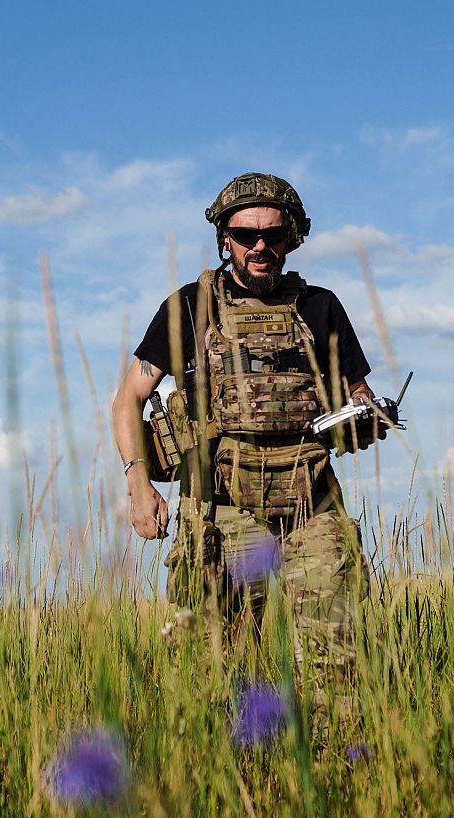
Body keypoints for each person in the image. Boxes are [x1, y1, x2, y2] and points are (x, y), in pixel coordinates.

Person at [110, 172, 386, 701]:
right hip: (223, 507)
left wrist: (366, 419)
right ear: (224, 238)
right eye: (245, 235)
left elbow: (359, 393)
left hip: (312, 503)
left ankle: (335, 769)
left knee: (338, 657)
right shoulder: (189, 307)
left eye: (273, 235)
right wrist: (139, 486)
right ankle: (223, 775)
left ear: (292, 237)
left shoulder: (321, 307)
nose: (259, 247)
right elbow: (129, 400)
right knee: (213, 665)